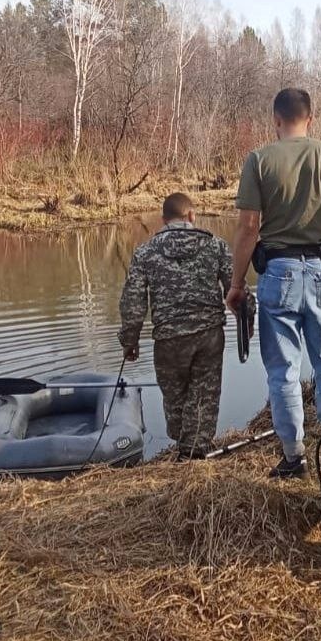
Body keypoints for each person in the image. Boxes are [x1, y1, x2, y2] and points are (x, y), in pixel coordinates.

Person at [225, 88, 321, 479]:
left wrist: (237, 283)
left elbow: (249, 228)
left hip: (279, 273)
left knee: (283, 371)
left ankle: (293, 458)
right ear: (311, 118)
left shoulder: (259, 159)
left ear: (276, 119)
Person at [118, 192, 238, 459]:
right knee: (203, 397)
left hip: (168, 339)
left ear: (163, 219)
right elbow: (236, 289)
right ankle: (193, 450)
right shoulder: (215, 246)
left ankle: (188, 452)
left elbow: (133, 300)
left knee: (175, 398)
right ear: (192, 215)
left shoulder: (145, 252)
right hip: (209, 335)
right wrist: (247, 319)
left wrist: (130, 340)